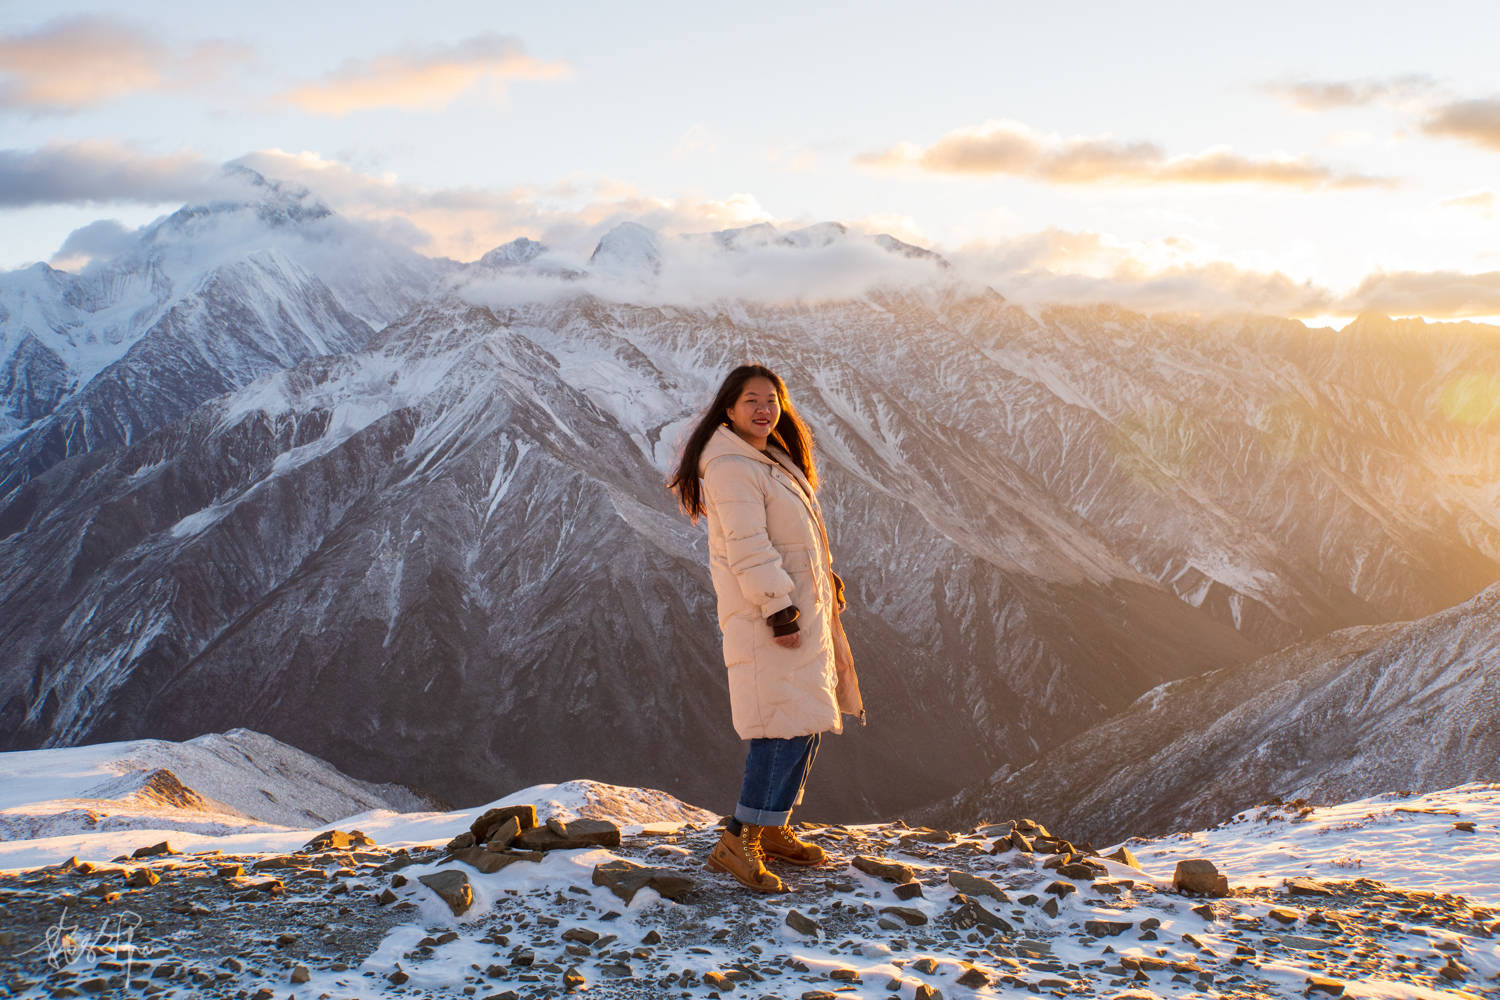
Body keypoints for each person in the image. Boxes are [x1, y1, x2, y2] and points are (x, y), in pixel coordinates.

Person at [669, 364, 864, 893]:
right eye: (752, 400)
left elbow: (791, 538)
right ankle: (738, 841)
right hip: (770, 614)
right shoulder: (731, 465)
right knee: (778, 724)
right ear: (728, 409)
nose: (764, 409)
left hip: (797, 604)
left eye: (772, 400)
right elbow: (747, 545)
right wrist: (779, 608)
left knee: (803, 715)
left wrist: (823, 580)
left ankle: (771, 828)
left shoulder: (765, 457)